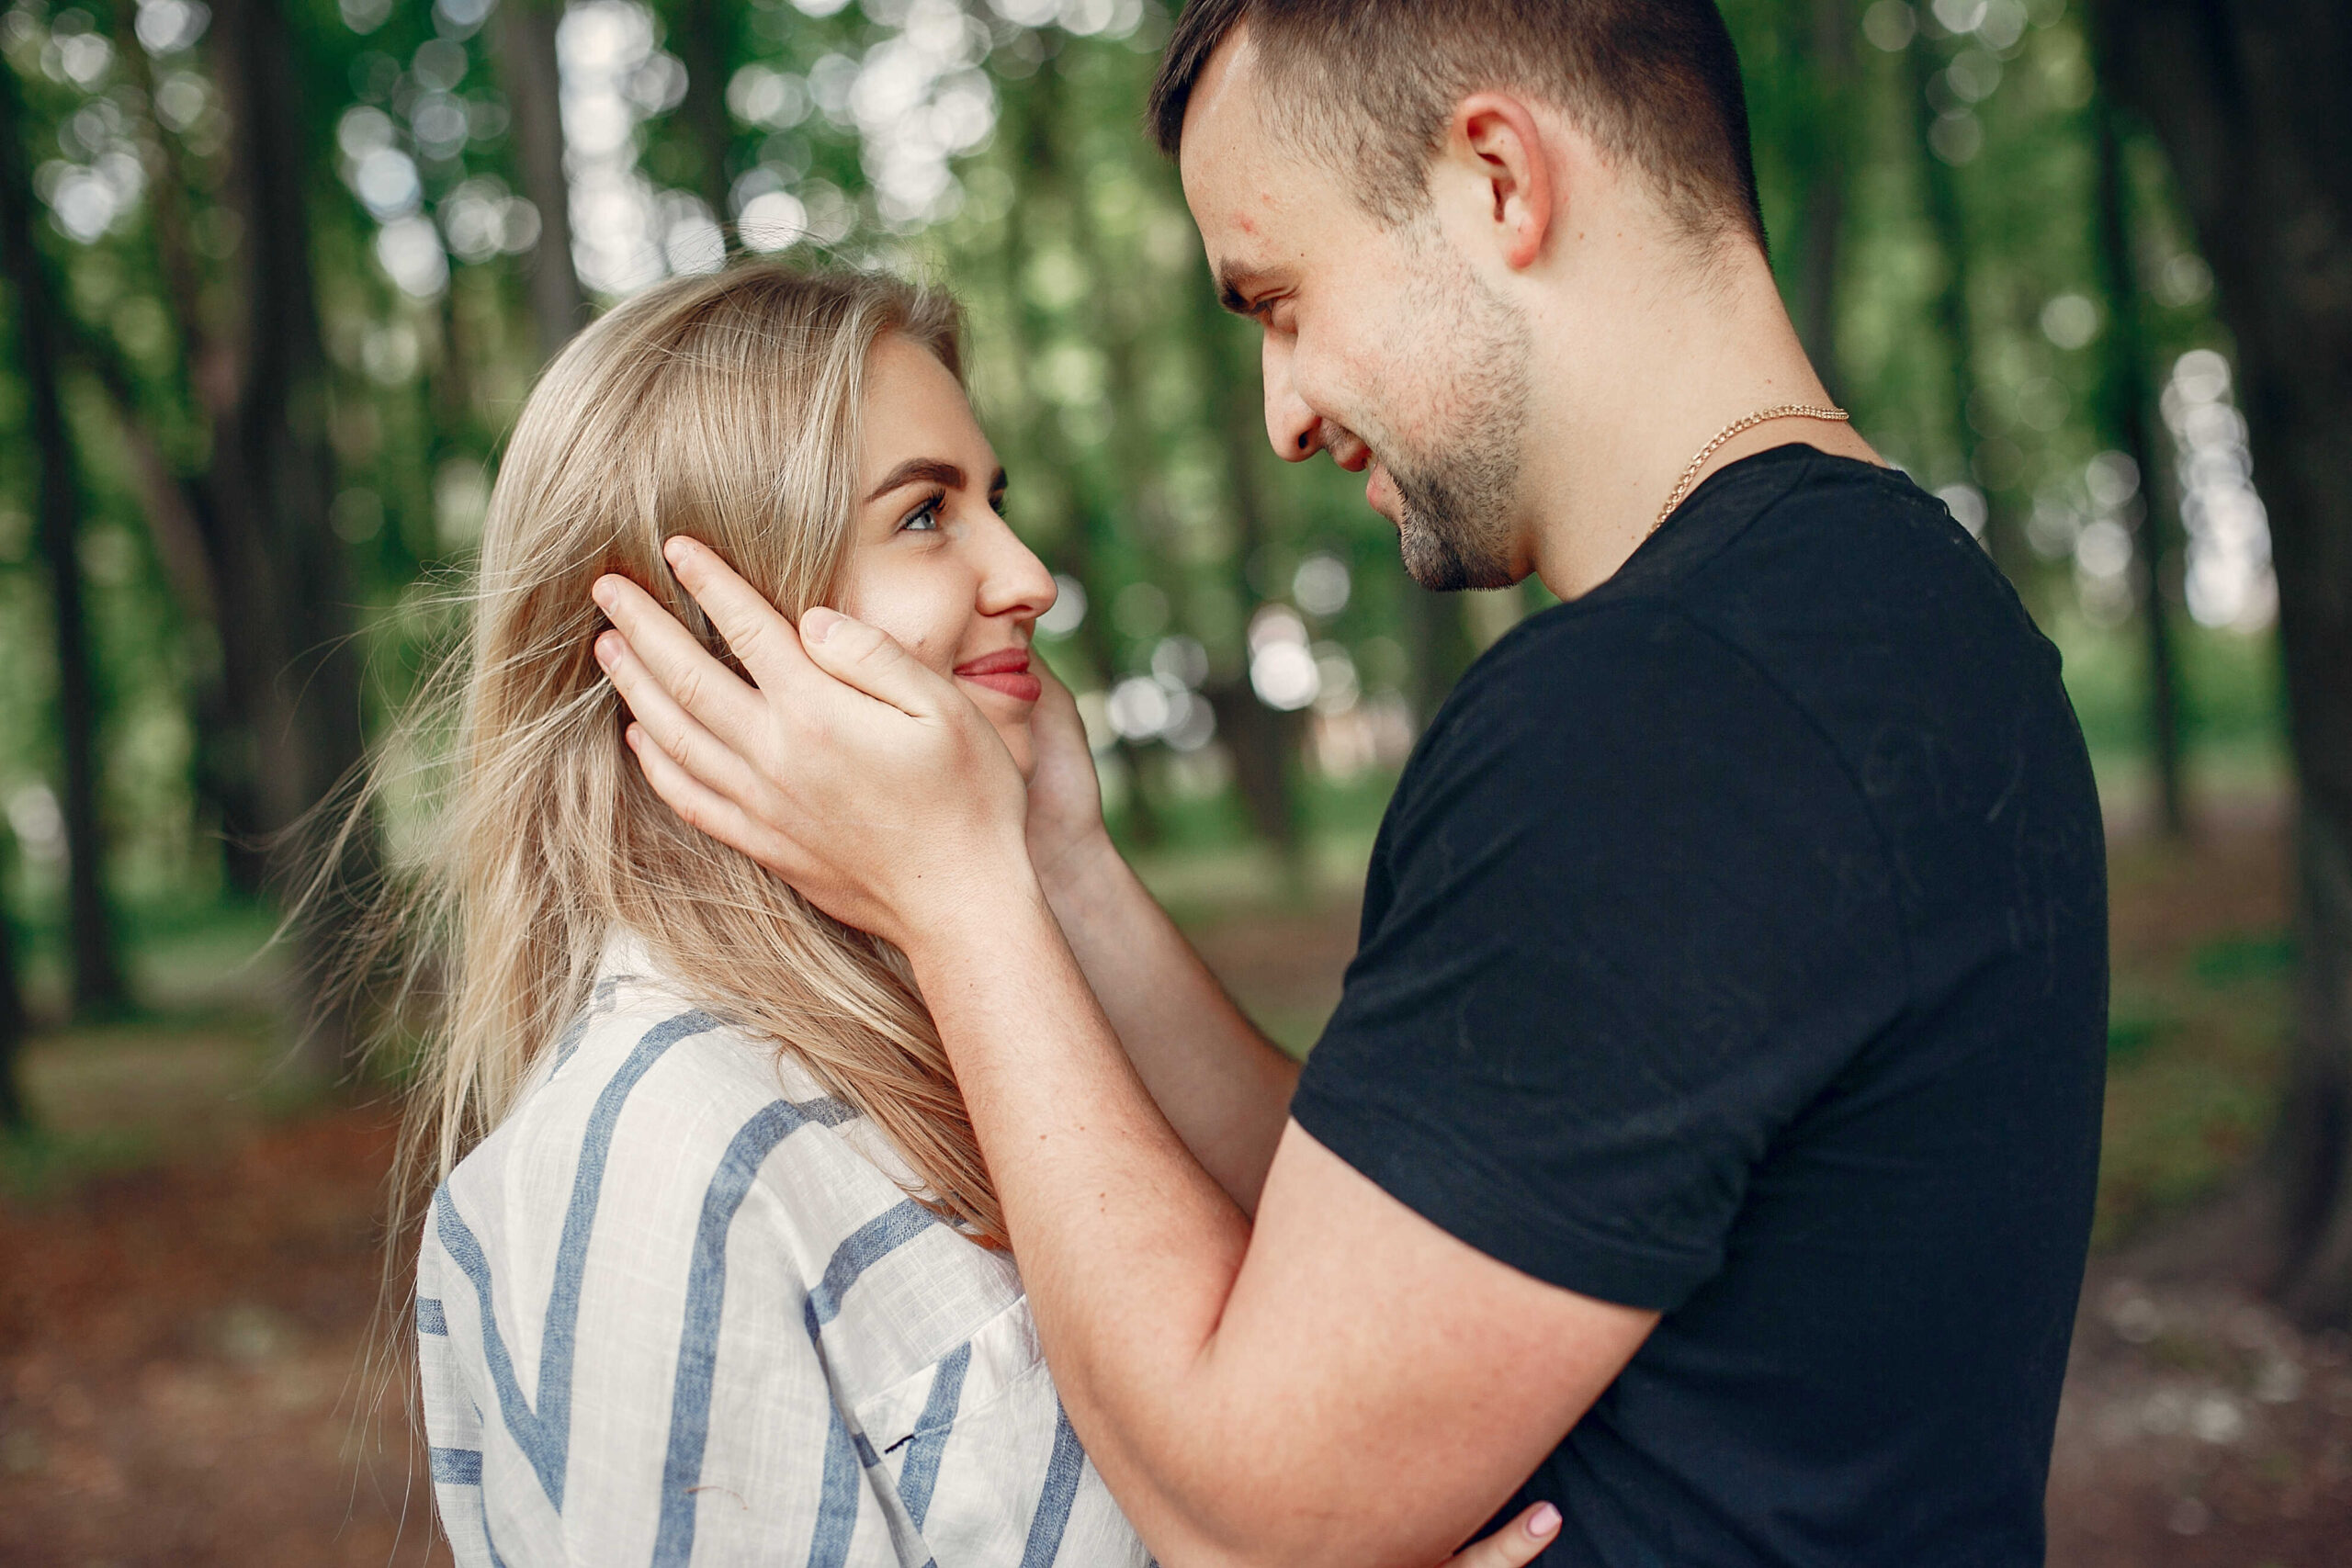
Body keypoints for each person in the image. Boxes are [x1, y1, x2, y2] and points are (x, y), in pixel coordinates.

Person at [591, 2, 2110, 1565]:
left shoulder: (1653, 719)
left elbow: (1241, 1525)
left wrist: (960, 903)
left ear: (1501, 182)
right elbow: (1423, 1222)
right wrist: (1064, 867)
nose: (1286, 408)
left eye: (1281, 300)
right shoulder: (1903, 614)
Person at [387, 264, 1558, 1567]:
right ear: (703, 627)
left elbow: (1316, 1305)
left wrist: (1057, 860)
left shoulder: (991, 1018)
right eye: (926, 516)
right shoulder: (658, 1152)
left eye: (991, 500)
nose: (1029, 574)